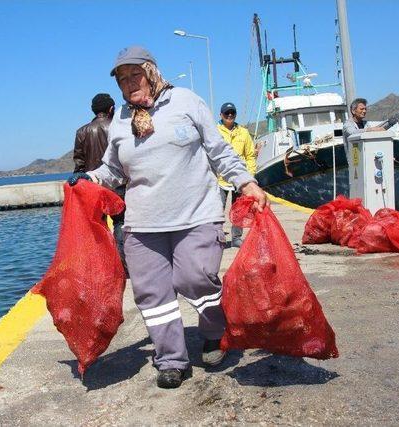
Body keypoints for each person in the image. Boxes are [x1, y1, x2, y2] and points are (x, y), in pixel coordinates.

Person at [68, 46, 268, 389]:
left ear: (151, 72)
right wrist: (91, 179)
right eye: (122, 79)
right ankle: (171, 358)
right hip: (143, 223)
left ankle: (213, 332)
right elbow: (114, 168)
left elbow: (219, 151)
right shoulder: (120, 119)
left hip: (196, 214)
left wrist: (246, 182)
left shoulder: (187, 102)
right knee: (151, 293)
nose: (129, 84)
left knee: (195, 277)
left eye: (135, 75)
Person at [73, 94, 126, 269]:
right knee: (120, 222)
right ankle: (123, 264)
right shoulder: (117, 128)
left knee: (98, 225)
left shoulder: (82, 132)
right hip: (118, 185)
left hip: (93, 187)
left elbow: (79, 164)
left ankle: (104, 265)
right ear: (111, 109)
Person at [217, 102, 256, 247]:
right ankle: (217, 237)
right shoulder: (215, 131)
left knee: (239, 210)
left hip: (239, 179)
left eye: (232, 113)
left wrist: (249, 176)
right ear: (220, 115)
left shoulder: (244, 132)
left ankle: (236, 238)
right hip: (220, 179)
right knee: (216, 210)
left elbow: (250, 155)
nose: (229, 115)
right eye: (226, 113)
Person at [343, 98, 386, 167]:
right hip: (355, 163)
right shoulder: (347, 125)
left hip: (368, 161)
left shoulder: (366, 124)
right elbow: (352, 132)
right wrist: (370, 130)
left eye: (365, 109)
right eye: (361, 109)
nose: (364, 111)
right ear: (353, 111)